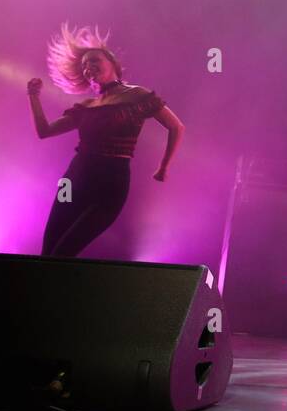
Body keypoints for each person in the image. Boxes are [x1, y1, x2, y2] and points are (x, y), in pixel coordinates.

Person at [30, 24, 184, 257]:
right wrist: (33, 97)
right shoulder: (86, 107)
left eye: (94, 61)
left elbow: (176, 126)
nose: (88, 67)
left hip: (111, 183)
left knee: (63, 253)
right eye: (84, 66)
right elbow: (44, 131)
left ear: (113, 63)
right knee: (47, 252)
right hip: (72, 180)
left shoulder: (137, 95)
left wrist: (164, 167)